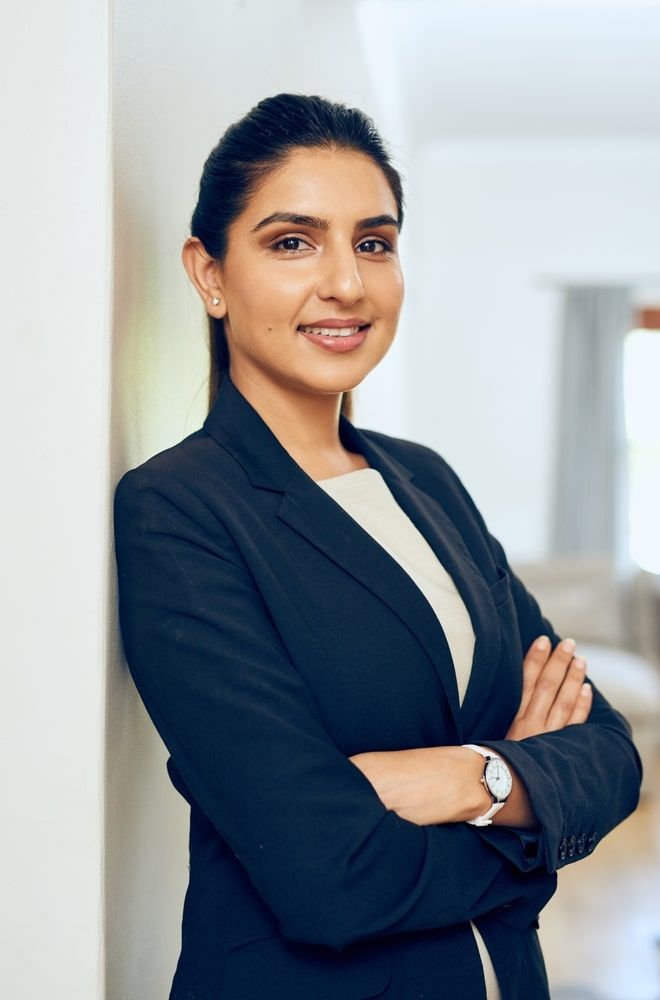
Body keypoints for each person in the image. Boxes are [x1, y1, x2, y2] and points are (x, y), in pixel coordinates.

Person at [113, 93, 642, 1000]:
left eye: (374, 241)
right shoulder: (180, 508)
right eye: (292, 241)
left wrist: (464, 778)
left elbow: (610, 753)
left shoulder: (424, 479)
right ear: (209, 273)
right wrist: (528, 811)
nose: (347, 283)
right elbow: (328, 874)